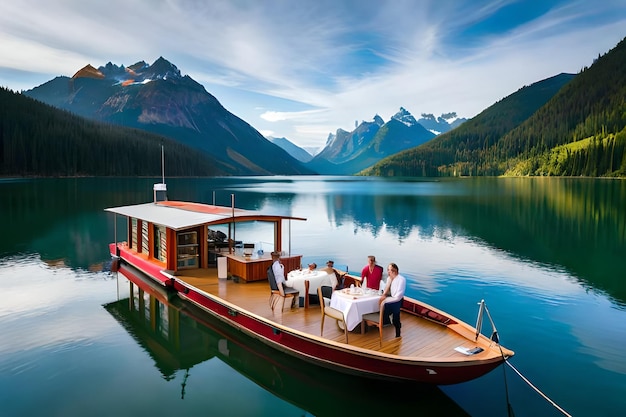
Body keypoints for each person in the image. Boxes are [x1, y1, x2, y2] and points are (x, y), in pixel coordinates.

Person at [378, 263, 406, 338]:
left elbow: (398, 295)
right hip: (391, 298)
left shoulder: (401, 279)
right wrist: (384, 295)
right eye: (388, 270)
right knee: (381, 304)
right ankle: (383, 323)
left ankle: (397, 331)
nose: (388, 272)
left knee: (395, 318)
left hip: (397, 300)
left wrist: (386, 300)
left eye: (389, 270)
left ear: (394, 271)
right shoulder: (389, 278)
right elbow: (386, 289)